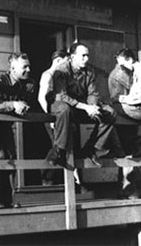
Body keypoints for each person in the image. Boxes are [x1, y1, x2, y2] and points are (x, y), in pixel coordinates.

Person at [48, 42, 124, 172]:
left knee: (110, 113)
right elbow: (62, 96)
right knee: (64, 109)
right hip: (62, 105)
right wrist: (85, 107)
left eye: (87, 56)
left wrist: (92, 107)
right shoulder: (61, 70)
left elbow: (92, 93)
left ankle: (91, 149)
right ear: (72, 56)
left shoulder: (89, 71)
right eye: (83, 56)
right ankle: (59, 149)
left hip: (81, 107)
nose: (86, 59)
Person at [0, 52, 36, 208]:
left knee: (11, 158)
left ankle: (7, 200)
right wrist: (14, 105)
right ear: (12, 68)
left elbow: (27, 102)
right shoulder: (0, 80)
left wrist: (23, 106)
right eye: (24, 67)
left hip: (6, 126)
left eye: (29, 66)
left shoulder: (29, 84)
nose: (28, 70)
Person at [108, 47, 141, 198]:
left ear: (130, 60)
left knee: (110, 109)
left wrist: (120, 99)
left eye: (122, 64)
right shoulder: (137, 71)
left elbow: (140, 97)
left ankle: (105, 145)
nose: (121, 67)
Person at [38, 49, 70, 114]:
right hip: (53, 112)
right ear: (58, 60)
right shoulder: (48, 75)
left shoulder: (62, 75)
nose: (68, 65)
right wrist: (49, 116)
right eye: (67, 61)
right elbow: (41, 98)